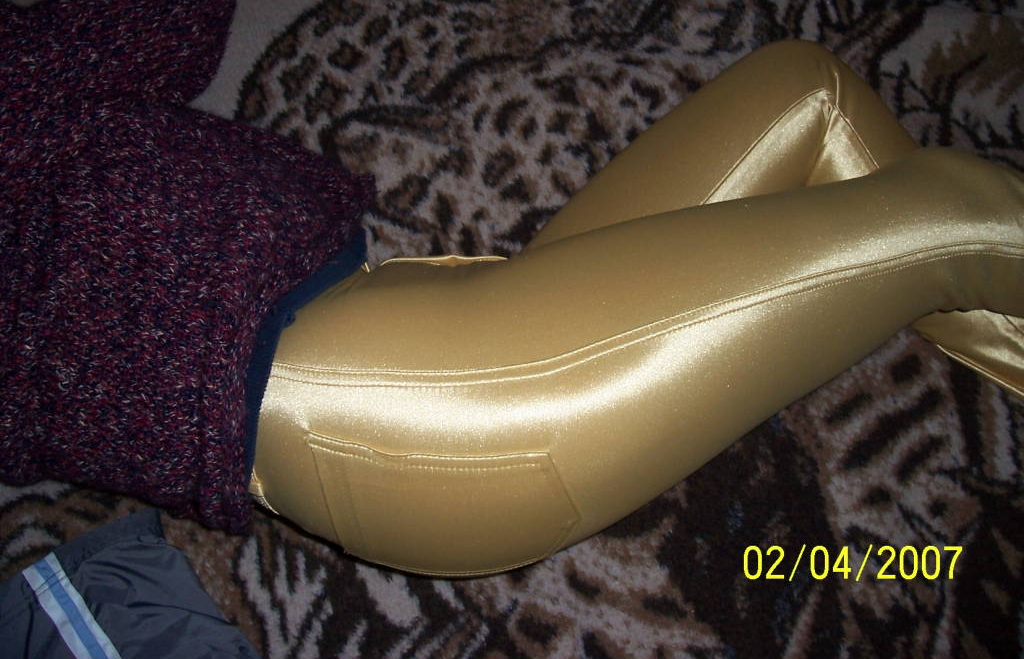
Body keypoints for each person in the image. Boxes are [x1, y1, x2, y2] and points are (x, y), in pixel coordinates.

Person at [248, 39, 1024, 577]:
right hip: (398, 418)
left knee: (809, 95)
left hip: (413, 322)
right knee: (952, 216)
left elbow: (194, 14)